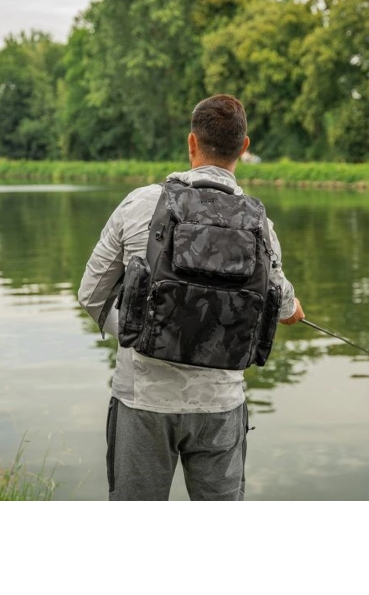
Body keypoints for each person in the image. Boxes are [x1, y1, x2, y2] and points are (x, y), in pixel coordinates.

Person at [78, 94, 304, 501]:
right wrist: (294, 309)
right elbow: (283, 303)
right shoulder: (261, 224)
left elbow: (91, 295)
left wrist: (137, 329)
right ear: (244, 146)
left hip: (143, 398)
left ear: (191, 142)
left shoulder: (140, 205)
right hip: (220, 405)